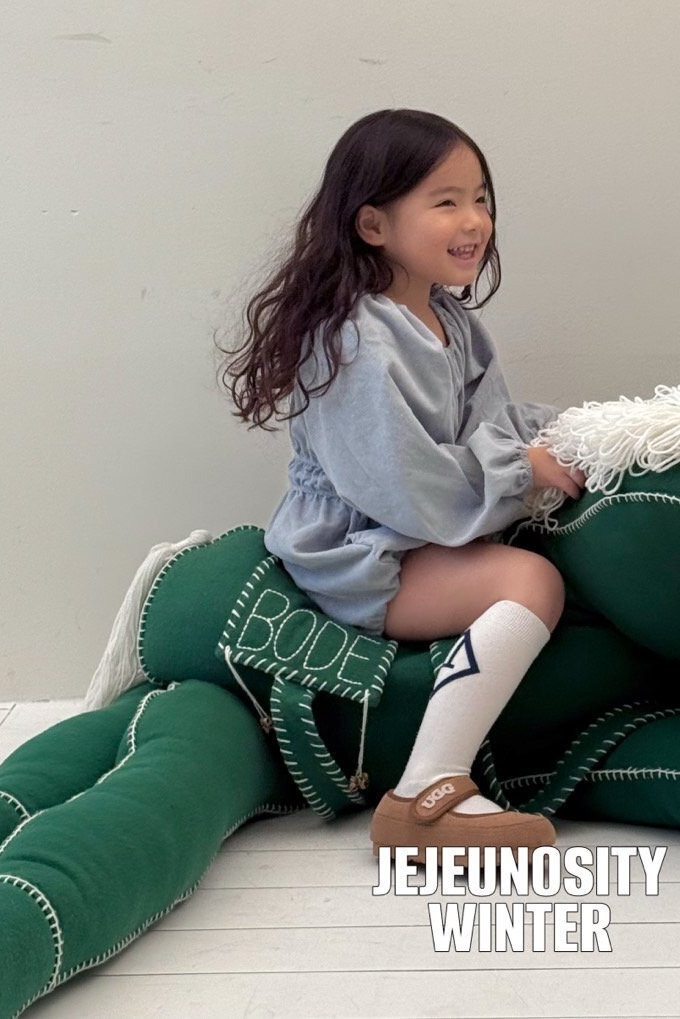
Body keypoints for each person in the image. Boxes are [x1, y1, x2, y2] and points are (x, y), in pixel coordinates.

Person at [217, 107, 586, 855]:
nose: (474, 220)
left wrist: (571, 438)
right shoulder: (353, 340)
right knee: (532, 581)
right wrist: (522, 471)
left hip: (418, 525)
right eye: (445, 201)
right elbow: (402, 486)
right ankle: (426, 793)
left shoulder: (451, 320)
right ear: (373, 224)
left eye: (480, 198)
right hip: (362, 548)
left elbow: (489, 425)